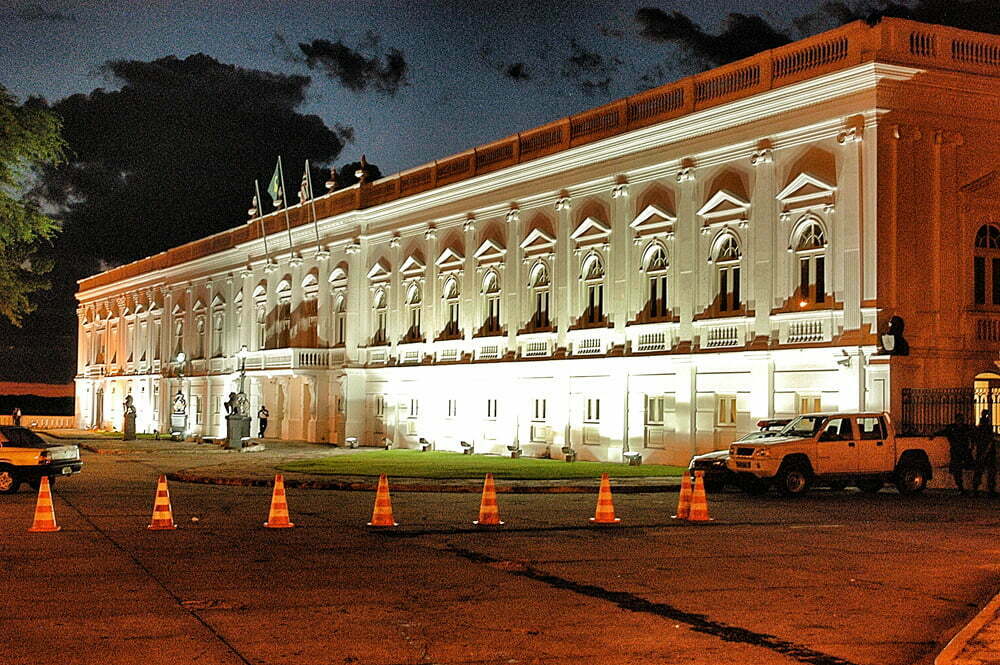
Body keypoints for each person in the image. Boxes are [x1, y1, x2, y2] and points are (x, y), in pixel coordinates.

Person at [934, 413, 974, 495]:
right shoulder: (952, 428)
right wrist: (934, 434)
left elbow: (972, 437)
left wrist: (971, 448)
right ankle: (961, 488)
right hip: (956, 452)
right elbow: (943, 432)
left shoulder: (965, 428)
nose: (960, 421)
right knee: (957, 470)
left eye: (961, 420)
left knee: (968, 468)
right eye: (959, 420)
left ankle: (968, 488)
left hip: (964, 451)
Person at [973, 409, 997, 497]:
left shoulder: (979, 427)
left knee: (979, 471)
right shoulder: (987, 427)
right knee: (990, 471)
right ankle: (990, 490)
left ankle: (976, 489)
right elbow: (990, 440)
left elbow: (975, 440)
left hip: (981, 452)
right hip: (987, 453)